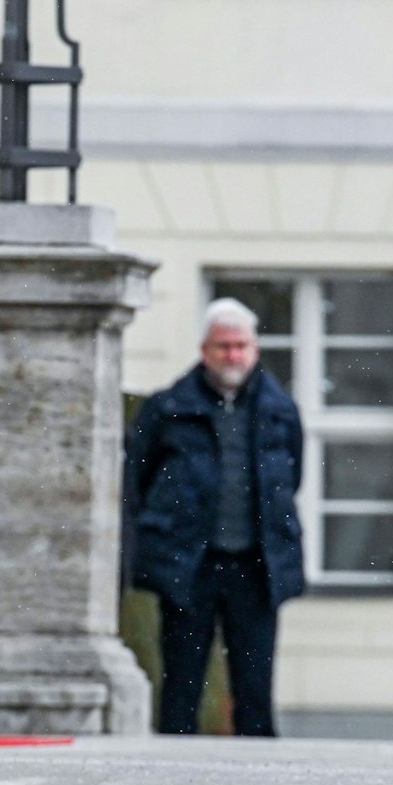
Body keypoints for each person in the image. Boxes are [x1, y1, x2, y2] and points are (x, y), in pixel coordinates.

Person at [123, 298, 306, 737]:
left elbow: (291, 478)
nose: (233, 355)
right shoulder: (167, 410)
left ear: (255, 350)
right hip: (191, 565)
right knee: (182, 682)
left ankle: (262, 777)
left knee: (254, 685)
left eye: (241, 345)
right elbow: (138, 481)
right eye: (223, 346)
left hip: (255, 567)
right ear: (205, 350)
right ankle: (172, 774)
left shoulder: (280, 412)